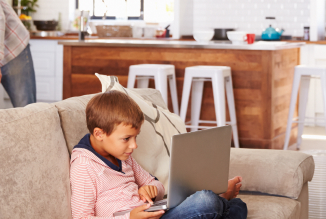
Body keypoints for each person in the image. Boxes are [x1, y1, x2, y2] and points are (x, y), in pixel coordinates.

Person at [70, 90, 247, 219]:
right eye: (126, 139)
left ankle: (221, 204)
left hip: (153, 212)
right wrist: (129, 217)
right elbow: (82, 217)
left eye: (135, 137)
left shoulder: (122, 156)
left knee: (239, 205)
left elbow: (155, 185)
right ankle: (221, 201)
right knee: (207, 200)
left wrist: (151, 190)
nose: (134, 145)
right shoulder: (84, 166)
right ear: (100, 134)